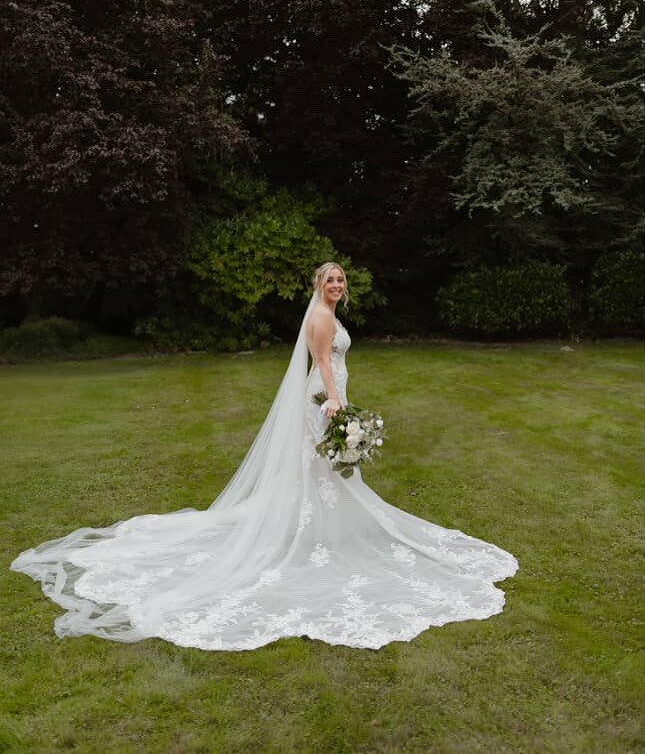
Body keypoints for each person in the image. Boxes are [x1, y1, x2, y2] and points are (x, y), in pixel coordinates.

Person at [11, 262, 518, 650]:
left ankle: (320, 527)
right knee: (323, 467)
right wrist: (336, 404)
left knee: (322, 469)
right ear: (319, 285)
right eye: (330, 280)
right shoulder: (321, 318)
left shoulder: (329, 314)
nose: (337, 285)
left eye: (341, 279)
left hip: (329, 393)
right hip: (325, 397)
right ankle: (312, 532)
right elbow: (323, 360)